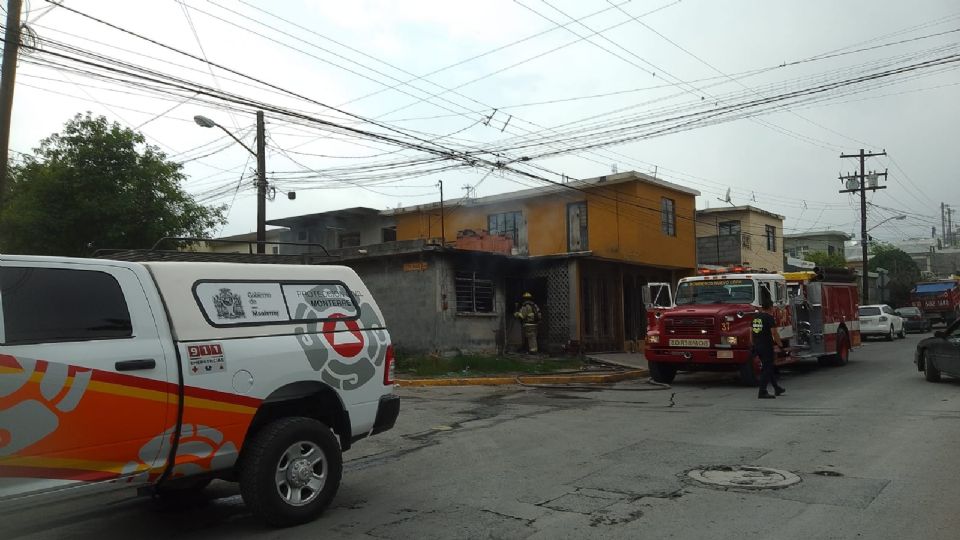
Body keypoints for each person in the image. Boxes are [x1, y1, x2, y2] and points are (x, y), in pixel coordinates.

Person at [751, 291, 785, 399]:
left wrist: (753, 344)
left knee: (768, 367)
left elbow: (750, 332)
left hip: (757, 346)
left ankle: (776, 388)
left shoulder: (756, 317)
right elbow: (774, 333)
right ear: (770, 307)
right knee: (767, 368)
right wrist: (780, 345)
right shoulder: (769, 318)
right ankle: (762, 391)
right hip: (766, 346)